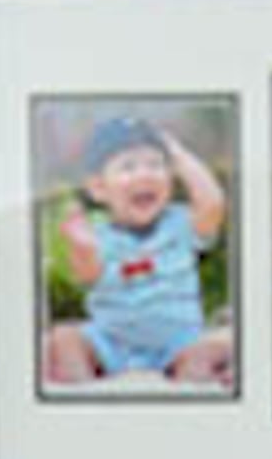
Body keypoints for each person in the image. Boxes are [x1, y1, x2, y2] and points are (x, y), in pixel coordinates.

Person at [44, 111, 231, 389]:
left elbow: (213, 202)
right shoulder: (97, 235)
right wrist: (82, 247)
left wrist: (179, 155)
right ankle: (84, 394)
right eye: (128, 167)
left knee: (212, 349)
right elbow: (87, 276)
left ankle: (189, 390)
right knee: (63, 339)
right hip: (111, 341)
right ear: (98, 189)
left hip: (179, 343)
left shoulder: (180, 223)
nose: (144, 174)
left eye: (156, 165)